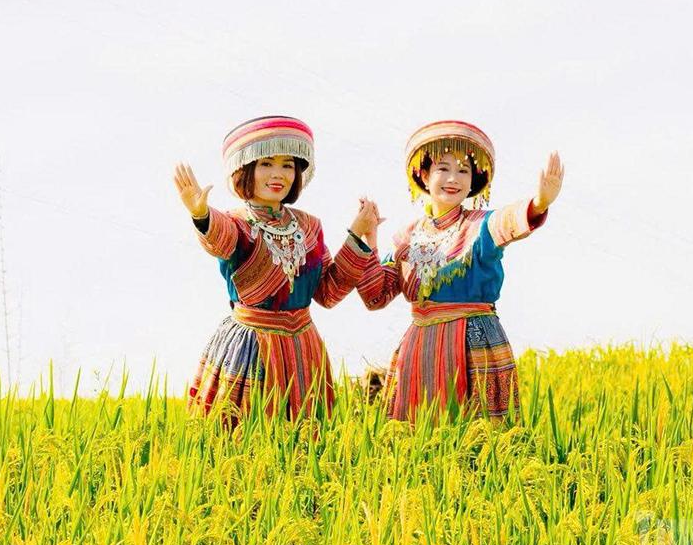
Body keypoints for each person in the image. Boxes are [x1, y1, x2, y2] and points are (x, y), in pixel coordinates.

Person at [174, 115, 380, 424]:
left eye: (287, 165)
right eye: (266, 164)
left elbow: (328, 291)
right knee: (243, 435)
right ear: (245, 170)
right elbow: (220, 238)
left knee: (305, 442)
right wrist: (201, 213)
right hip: (250, 347)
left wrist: (356, 235)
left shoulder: (309, 226)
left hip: (303, 349)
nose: (278, 174)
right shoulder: (237, 223)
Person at [357, 120, 564, 421]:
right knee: (417, 438)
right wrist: (369, 238)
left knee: (482, 442)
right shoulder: (406, 237)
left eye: (464, 170)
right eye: (443, 168)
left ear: (472, 181)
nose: (453, 178)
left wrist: (540, 202)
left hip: (475, 344)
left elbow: (509, 221)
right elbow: (375, 297)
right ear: (425, 175)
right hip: (420, 349)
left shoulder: (482, 225)